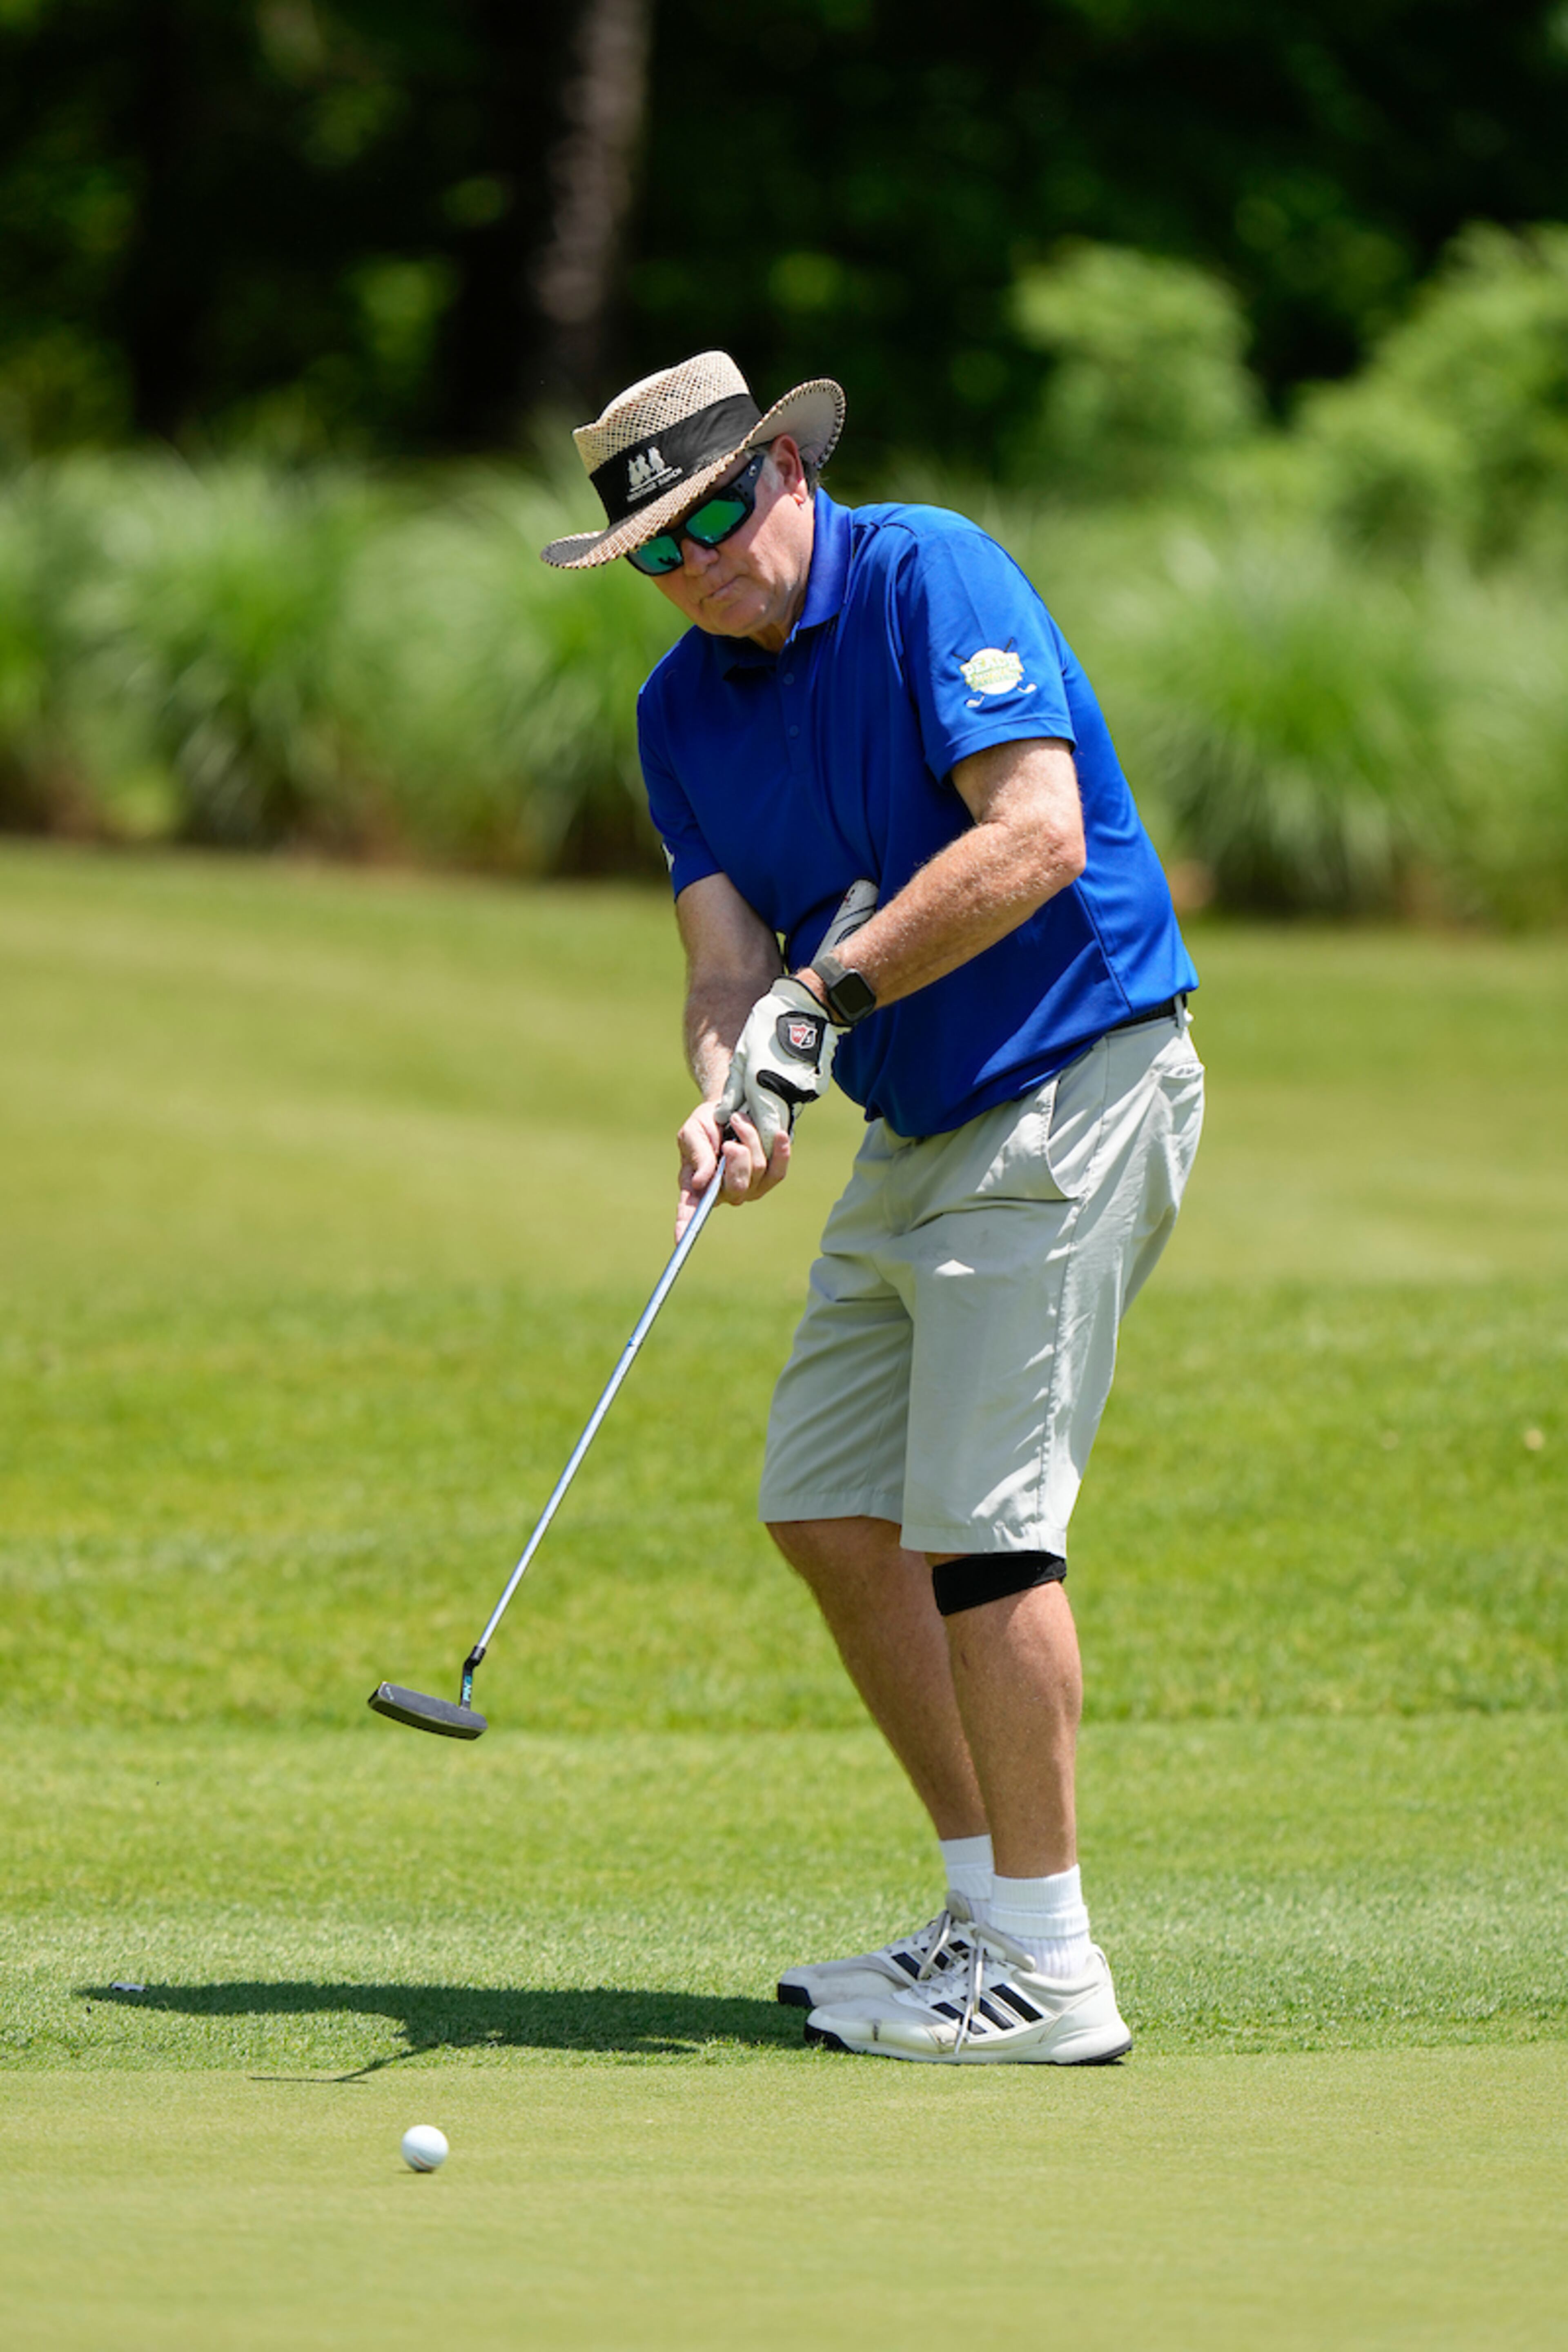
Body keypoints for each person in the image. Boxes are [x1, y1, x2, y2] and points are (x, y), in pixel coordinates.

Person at [541, 351, 1204, 2065]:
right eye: (661, 557)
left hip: (1075, 1076)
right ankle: (985, 1913)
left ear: (783, 473)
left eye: (718, 519)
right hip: (916, 1118)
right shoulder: (678, 711)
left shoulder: (932, 575)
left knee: (985, 1531)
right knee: (832, 1507)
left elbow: (1037, 838)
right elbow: (721, 961)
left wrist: (817, 1005)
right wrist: (728, 1090)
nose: (702, 568)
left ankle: (1053, 1973)